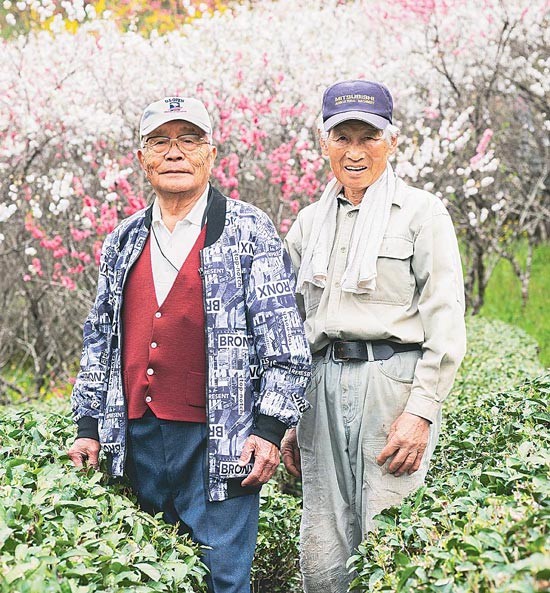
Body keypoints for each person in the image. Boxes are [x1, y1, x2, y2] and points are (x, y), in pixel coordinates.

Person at [68, 96, 311, 593]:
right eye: (161, 141)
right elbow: (100, 340)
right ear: (143, 158)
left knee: (224, 578)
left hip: (221, 442)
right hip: (134, 440)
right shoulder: (123, 239)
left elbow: (285, 343)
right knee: (148, 576)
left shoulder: (248, 230)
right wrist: (88, 425)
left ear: (212, 152)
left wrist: (268, 429)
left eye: (189, 140)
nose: (174, 153)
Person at [281, 79, 467, 592]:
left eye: (369, 137)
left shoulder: (421, 214)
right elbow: (295, 329)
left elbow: (446, 319)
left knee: (390, 542)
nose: (355, 151)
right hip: (321, 387)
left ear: (392, 141)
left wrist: (422, 410)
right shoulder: (307, 224)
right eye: (343, 137)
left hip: (392, 387)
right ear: (324, 143)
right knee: (322, 547)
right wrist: (290, 417)